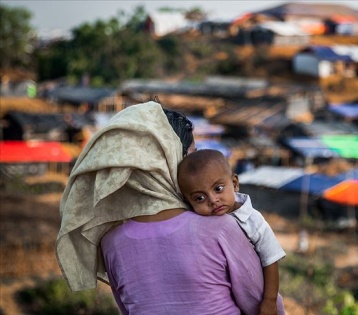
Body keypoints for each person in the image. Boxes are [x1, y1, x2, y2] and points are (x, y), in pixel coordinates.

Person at [56, 101, 285, 314]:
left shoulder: (111, 243)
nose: (197, 168)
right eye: (190, 156)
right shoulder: (220, 227)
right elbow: (264, 305)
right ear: (165, 159)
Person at [178, 149, 286, 315]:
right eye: (200, 198)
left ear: (234, 183)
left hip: (258, 302)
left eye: (218, 188)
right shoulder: (197, 223)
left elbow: (271, 259)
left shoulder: (252, 220)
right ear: (188, 201)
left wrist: (269, 301)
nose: (213, 200)